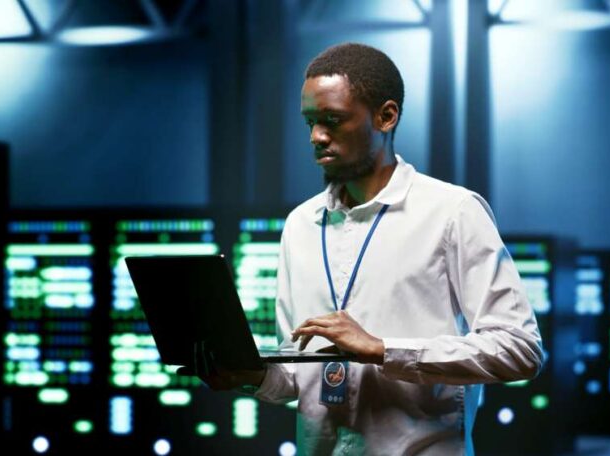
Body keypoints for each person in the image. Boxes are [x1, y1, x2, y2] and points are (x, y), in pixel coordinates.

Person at [191, 42, 543, 456]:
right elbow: (295, 373)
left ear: (386, 116)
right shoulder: (300, 225)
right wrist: (248, 375)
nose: (317, 137)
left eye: (332, 121)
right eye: (309, 123)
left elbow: (520, 350)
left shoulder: (453, 212)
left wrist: (381, 349)